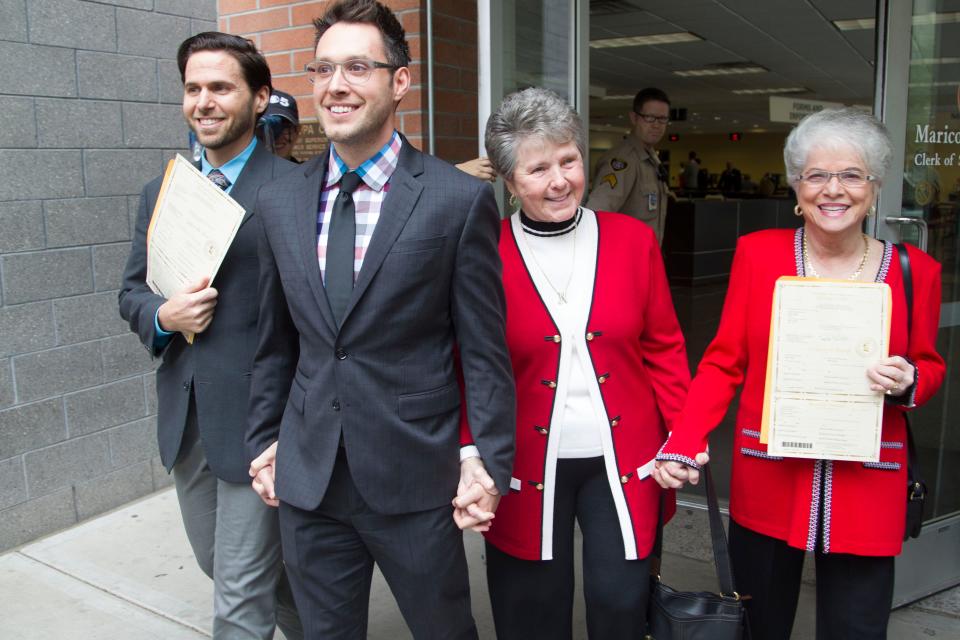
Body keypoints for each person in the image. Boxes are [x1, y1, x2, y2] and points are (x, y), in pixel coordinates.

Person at [244, 1, 516, 638]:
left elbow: (483, 352)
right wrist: (263, 441)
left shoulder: (456, 199)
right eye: (323, 70)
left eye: (358, 67)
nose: (336, 86)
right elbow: (273, 342)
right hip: (309, 481)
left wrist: (490, 462)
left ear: (399, 82)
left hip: (414, 479)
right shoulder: (278, 200)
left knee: (445, 629)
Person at [653, 107, 945, 640]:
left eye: (851, 175)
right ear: (796, 184)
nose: (834, 190)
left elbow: (929, 365)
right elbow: (723, 361)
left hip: (868, 482)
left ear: (874, 187)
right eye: (817, 175)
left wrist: (908, 381)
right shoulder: (759, 256)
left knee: (856, 628)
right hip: (771, 473)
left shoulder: (914, 272)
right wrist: (683, 438)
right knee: (760, 622)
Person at [474, 87, 691, 639]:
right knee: (531, 610)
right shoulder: (483, 254)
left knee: (621, 603)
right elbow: (466, 365)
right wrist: (468, 453)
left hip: (624, 459)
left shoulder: (633, 240)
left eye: (568, 160)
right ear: (507, 179)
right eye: (538, 168)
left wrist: (684, 436)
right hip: (522, 460)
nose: (559, 181)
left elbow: (664, 345)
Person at [118, 32, 301, 640]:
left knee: (239, 599)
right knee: (218, 565)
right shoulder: (160, 191)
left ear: (259, 98)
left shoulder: (295, 192)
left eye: (221, 87)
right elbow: (131, 294)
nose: (204, 101)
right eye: (193, 88)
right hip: (187, 418)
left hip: (262, 424)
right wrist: (164, 317)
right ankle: (319, 622)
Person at [586, 87, 671, 244]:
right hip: (627, 259)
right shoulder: (623, 161)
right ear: (634, 118)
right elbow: (597, 214)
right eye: (650, 118)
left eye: (662, 119)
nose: (656, 125)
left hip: (648, 256)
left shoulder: (652, 160)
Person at [257, 88, 303, 162]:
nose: (276, 135)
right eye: (268, 126)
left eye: (284, 126)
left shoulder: (311, 173)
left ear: (297, 131)